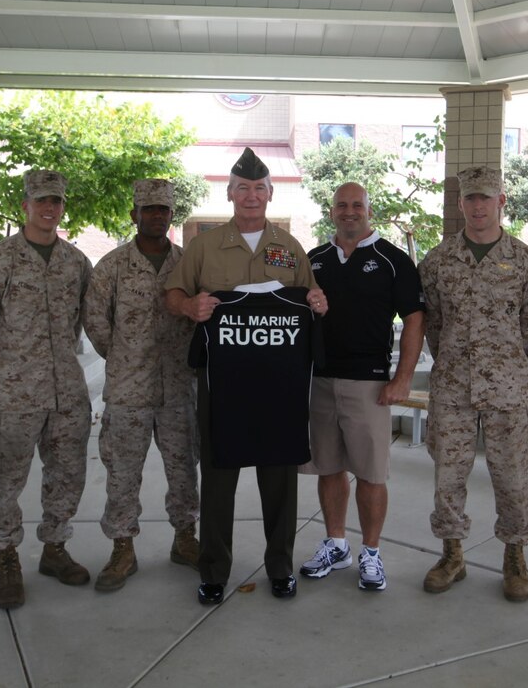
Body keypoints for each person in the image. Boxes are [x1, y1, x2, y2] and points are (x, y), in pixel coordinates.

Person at [165, 147, 328, 605]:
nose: (251, 196)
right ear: (230, 193)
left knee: (280, 476)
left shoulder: (290, 247)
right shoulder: (203, 246)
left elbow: (310, 296)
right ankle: (214, 570)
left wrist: (317, 302)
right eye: (243, 188)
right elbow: (173, 292)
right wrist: (188, 306)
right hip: (223, 385)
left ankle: (280, 567)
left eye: (259, 188)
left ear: (270, 194)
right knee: (219, 476)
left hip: (280, 386)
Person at [417, 165, 528, 601]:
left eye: (485, 198)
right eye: (470, 198)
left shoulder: (526, 261)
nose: (477, 206)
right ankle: (452, 554)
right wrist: (456, 358)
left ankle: (515, 557)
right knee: (448, 476)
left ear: (501, 202)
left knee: (512, 477)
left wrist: (504, 359)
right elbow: (433, 322)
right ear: (460, 205)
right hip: (453, 386)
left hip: (508, 389)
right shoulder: (437, 261)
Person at [0, 169, 93, 609]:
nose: (49, 208)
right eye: (41, 201)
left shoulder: (76, 262)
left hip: (66, 392)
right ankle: (6, 558)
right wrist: (2, 373)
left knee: (67, 473)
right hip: (13, 393)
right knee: (6, 477)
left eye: (56, 201)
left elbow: (78, 322)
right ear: (25, 206)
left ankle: (55, 548)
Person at [298, 182, 425, 591]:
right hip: (320, 381)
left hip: (369, 385)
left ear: (369, 210)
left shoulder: (393, 260)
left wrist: (402, 377)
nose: (349, 211)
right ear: (332, 211)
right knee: (329, 467)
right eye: (341, 205)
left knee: (371, 475)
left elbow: (415, 321)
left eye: (357, 205)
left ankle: (371, 552)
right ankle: (336, 545)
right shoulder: (313, 259)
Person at [83, 178, 200, 592]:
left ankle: (185, 539)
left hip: (177, 390)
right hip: (128, 392)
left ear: (171, 216)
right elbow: (96, 321)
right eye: (148, 209)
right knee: (122, 473)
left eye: (163, 210)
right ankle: (122, 548)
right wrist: (123, 358)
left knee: (184, 469)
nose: (156, 216)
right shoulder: (111, 267)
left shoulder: (188, 265)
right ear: (134, 215)